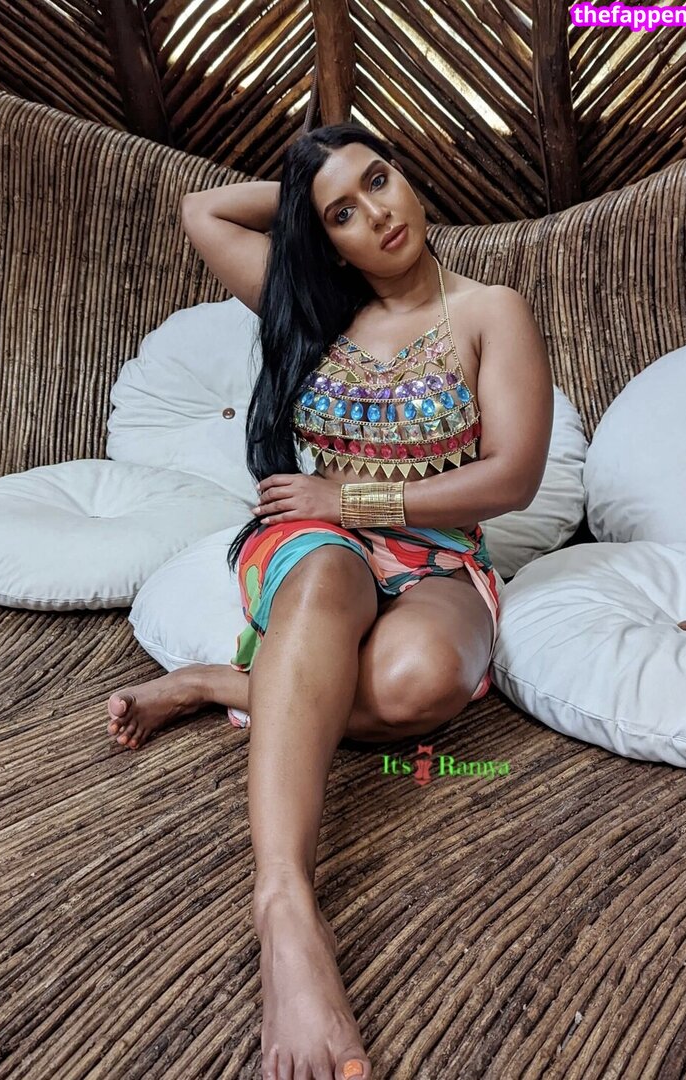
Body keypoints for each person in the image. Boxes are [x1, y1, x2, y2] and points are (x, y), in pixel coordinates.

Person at [106, 123, 553, 1080]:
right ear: (326, 242)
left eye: (379, 181)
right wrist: (308, 203)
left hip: (436, 554)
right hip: (312, 545)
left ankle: (216, 683)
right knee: (330, 574)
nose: (377, 214)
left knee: (420, 683)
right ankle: (285, 910)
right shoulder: (314, 301)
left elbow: (513, 478)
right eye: (342, 214)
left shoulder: (491, 311)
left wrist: (354, 498)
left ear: (409, 177)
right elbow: (201, 210)